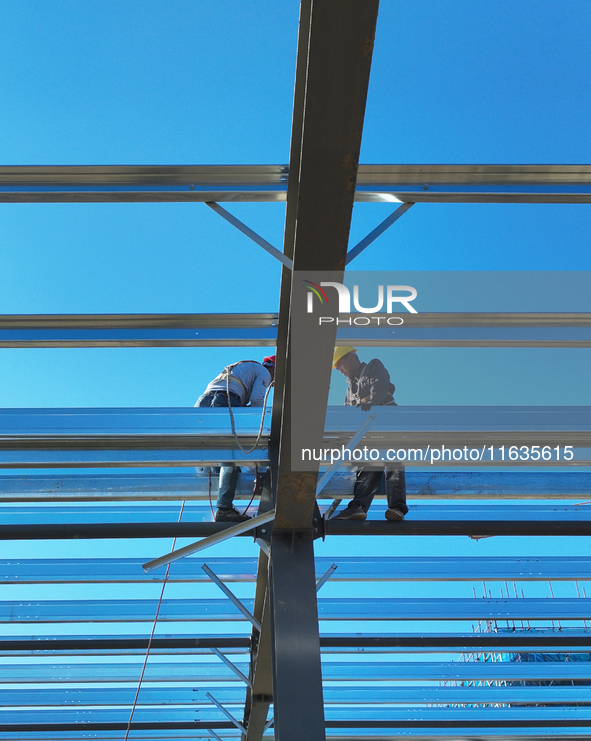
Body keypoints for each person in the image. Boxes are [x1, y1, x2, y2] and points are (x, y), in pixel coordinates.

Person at [331, 347, 408, 522]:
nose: (339, 370)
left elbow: (379, 390)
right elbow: (347, 414)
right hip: (368, 430)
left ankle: (397, 508)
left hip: (387, 422)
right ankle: (358, 507)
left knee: (393, 461)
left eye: (340, 365)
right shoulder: (350, 388)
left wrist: (368, 402)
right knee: (368, 465)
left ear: (351, 357)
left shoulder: (373, 366)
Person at [195, 356, 275, 522]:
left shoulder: (243, 369)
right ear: (274, 367)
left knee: (219, 453)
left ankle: (222, 482)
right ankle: (224, 508)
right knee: (231, 456)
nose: (272, 382)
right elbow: (257, 401)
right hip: (224, 401)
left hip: (204, 402)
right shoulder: (264, 372)